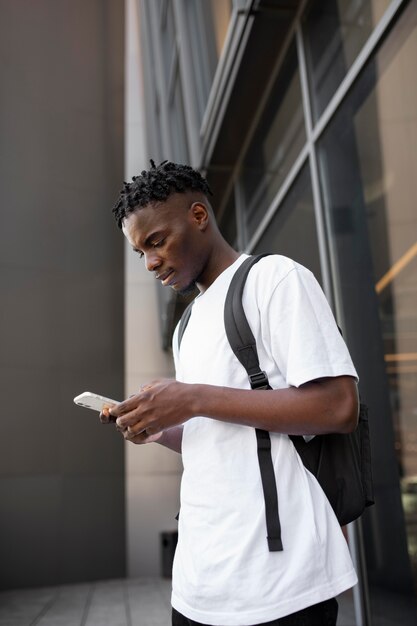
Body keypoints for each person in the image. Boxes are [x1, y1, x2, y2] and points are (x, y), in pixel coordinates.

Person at [102, 160, 359, 626]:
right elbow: (221, 438)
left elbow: (338, 406)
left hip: (281, 580)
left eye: (156, 242)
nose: (151, 262)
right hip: (199, 580)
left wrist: (194, 397)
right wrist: (160, 428)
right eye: (141, 252)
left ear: (199, 216)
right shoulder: (186, 326)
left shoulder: (274, 279)